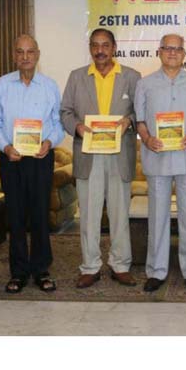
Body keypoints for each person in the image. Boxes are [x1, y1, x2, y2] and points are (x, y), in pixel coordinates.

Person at [60, 28, 141, 288]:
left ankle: (120, 264)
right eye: (95, 45)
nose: (100, 50)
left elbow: (142, 112)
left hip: (119, 155)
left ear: (114, 47)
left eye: (105, 45)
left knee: (119, 214)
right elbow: (65, 112)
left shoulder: (131, 77)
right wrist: (78, 128)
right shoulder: (76, 77)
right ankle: (90, 266)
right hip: (88, 155)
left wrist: (129, 120)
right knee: (89, 215)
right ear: (90, 48)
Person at [0, 35, 64, 293]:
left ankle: (41, 269)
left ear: (38, 54)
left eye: (30, 51)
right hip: (12, 158)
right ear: (14, 55)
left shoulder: (50, 86)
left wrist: (50, 142)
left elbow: (58, 123)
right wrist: (5, 147)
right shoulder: (2, 85)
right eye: (20, 51)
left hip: (41, 158)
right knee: (16, 215)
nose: (25, 56)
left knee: (40, 214)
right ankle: (18, 272)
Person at [134, 34, 186, 294]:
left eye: (178, 49)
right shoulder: (145, 85)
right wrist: (147, 138)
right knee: (158, 216)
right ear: (159, 51)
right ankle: (156, 271)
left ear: (184, 53)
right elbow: (139, 121)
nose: (173, 53)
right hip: (158, 158)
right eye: (168, 48)